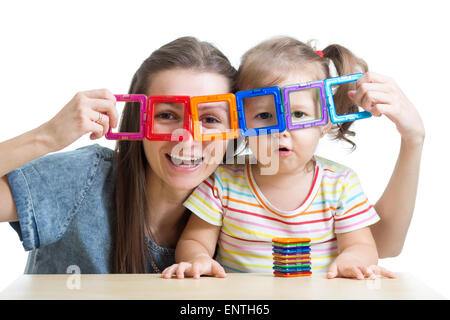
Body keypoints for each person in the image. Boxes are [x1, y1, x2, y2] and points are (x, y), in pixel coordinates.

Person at [161, 36, 425, 280]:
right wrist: (198, 259)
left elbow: (363, 246)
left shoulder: (340, 184)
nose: (281, 131)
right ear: (241, 122)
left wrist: (352, 260)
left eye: (298, 115)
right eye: (264, 116)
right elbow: (195, 240)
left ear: (324, 122)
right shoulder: (223, 182)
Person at [0, 36, 237, 273]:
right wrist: (48, 136)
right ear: (138, 121)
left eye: (210, 119)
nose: (187, 139)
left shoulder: (241, 206)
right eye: (166, 115)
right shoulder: (86, 178)